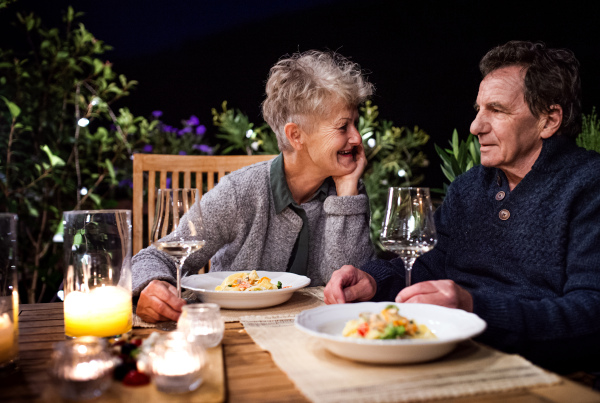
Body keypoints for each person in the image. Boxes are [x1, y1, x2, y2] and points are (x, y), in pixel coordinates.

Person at [324, 40, 600, 374]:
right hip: (446, 356)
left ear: (548, 120)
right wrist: (373, 280)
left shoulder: (589, 186)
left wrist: (473, 308)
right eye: (478, 109)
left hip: (540, 374)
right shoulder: (470, 186)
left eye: (496, 110)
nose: (475, 126)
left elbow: (590, 315)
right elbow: (427, 266)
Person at [134, 50, 375, 323]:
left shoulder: (349, 191)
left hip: (317, 330)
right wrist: (151, 285)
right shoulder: (240, 192)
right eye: (343, 127)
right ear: (296, 135)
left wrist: (346, 193)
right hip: (237, 332)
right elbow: (156, 257)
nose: (357, 137)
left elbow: (350, 286)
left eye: (356, 123)